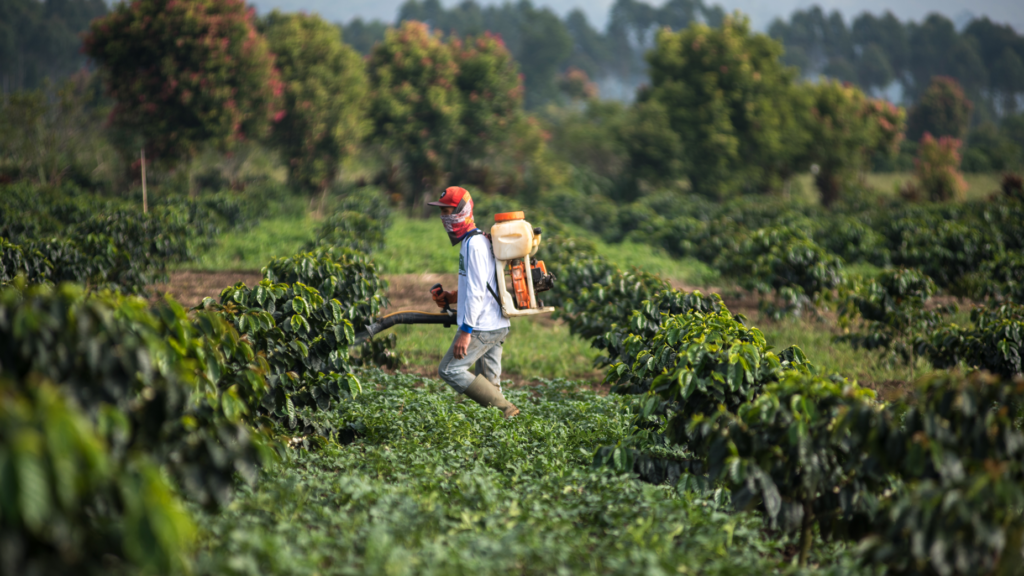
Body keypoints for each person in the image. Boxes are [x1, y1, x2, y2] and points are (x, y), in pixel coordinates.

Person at [428, 186, 519, 419]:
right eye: (442, 212)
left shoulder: (474, 245)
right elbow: (481, 283)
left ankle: (507, 411)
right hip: (496, 323)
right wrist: (453, 296)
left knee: (449, 369)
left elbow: (478, 291)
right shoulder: (476, 241)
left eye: (447, 211)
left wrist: (465, 331)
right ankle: (503, 430)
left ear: (461, 211)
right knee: (490, 386)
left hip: (482, 326)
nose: (443, 218)